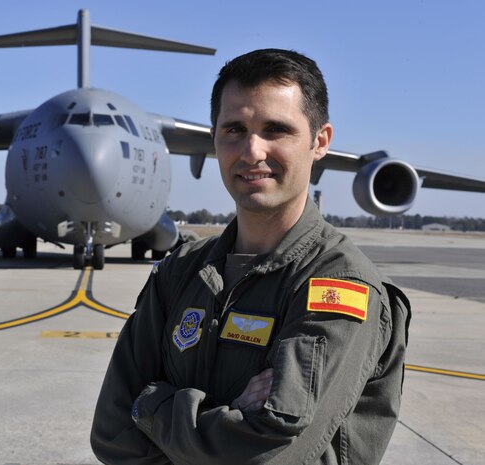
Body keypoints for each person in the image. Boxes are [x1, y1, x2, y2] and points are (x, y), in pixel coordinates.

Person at [91, 49, 411, 465]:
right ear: (214, 138)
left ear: (320, 142)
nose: (251, 151)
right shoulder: (182, 270)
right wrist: (228, 419)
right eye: (234, 129)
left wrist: (150, 407)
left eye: (276, 130)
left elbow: (266, 453)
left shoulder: (337, 285)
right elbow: (111, 434)